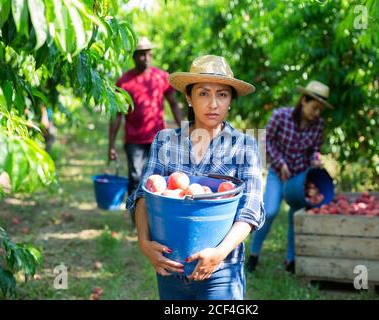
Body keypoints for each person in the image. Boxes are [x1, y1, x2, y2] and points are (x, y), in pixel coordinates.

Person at [126, 55, 265, 300]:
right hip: (171, 266)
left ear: (231, 100)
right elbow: (144, 195)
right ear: (189, 98)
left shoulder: (244, 146)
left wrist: (219, 253)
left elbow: (250, 209)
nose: (213, 103)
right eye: (203, 93)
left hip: (223, 269)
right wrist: (143, 242)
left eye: (222, 94)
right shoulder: (165, 141)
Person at [247, 80, 334, 274]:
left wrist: (315, 161)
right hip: (278, 173)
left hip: (300, 177)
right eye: (314, 107)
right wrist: (280, 163)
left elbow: (314, 150)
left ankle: (291, 260)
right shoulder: (281, 116)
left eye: (320, 109)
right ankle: (253, 254)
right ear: (303, 100)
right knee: (269, 212)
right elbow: (266, 141)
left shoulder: (318, 125)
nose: (317, 113)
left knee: (295, 217)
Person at [108, 36, 183, 222]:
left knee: (159, 178)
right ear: (134, 57)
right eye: (141, 54)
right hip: (134, 139)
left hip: (158, 138)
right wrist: (111, 145)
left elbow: (173, 104)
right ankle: (137, 220)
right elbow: (117, 115)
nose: (145, 58)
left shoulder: (161, 77)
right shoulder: (124, 82)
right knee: (135, 178)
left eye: (148, 54)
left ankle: (157, 218)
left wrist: (184, 129)